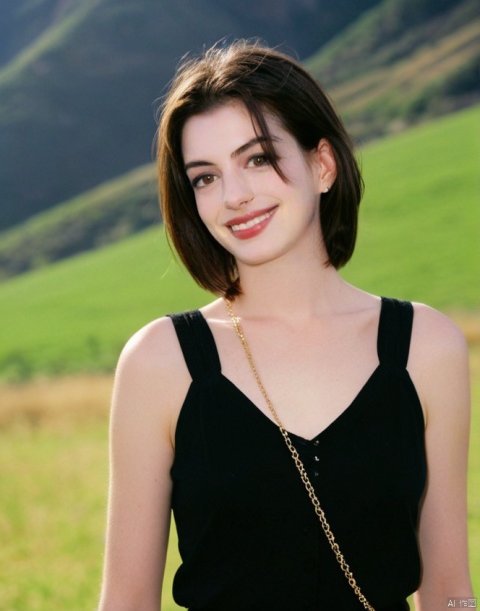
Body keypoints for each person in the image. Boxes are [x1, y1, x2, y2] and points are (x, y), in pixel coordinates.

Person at [98, 40, 472, 611]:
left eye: (256, 158)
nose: (235, 196)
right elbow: (126, 603)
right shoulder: (161, 362)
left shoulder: (427, 347)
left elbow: (449, 593)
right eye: (204, 177)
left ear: (322, 164)